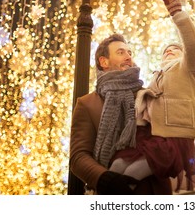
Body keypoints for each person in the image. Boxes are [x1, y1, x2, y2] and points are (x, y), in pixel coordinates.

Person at [108, 0, 195, 192]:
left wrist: (177, 12)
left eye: (175, 49)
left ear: (183, 54)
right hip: (152, 136)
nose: (169, 50)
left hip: (174, 135)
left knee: (131, 175)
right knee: (116, 167)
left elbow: (192, 43)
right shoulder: (157, 75)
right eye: (165, 51)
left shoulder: (189, 67)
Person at [69, 33, 173, 195]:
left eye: (129, 53)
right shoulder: (87, 104)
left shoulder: (150, 96)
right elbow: (78, 157)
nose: (128, 57)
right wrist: (104, 178)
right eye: (121, 52)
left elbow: (171, 141)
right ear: (104, 62)